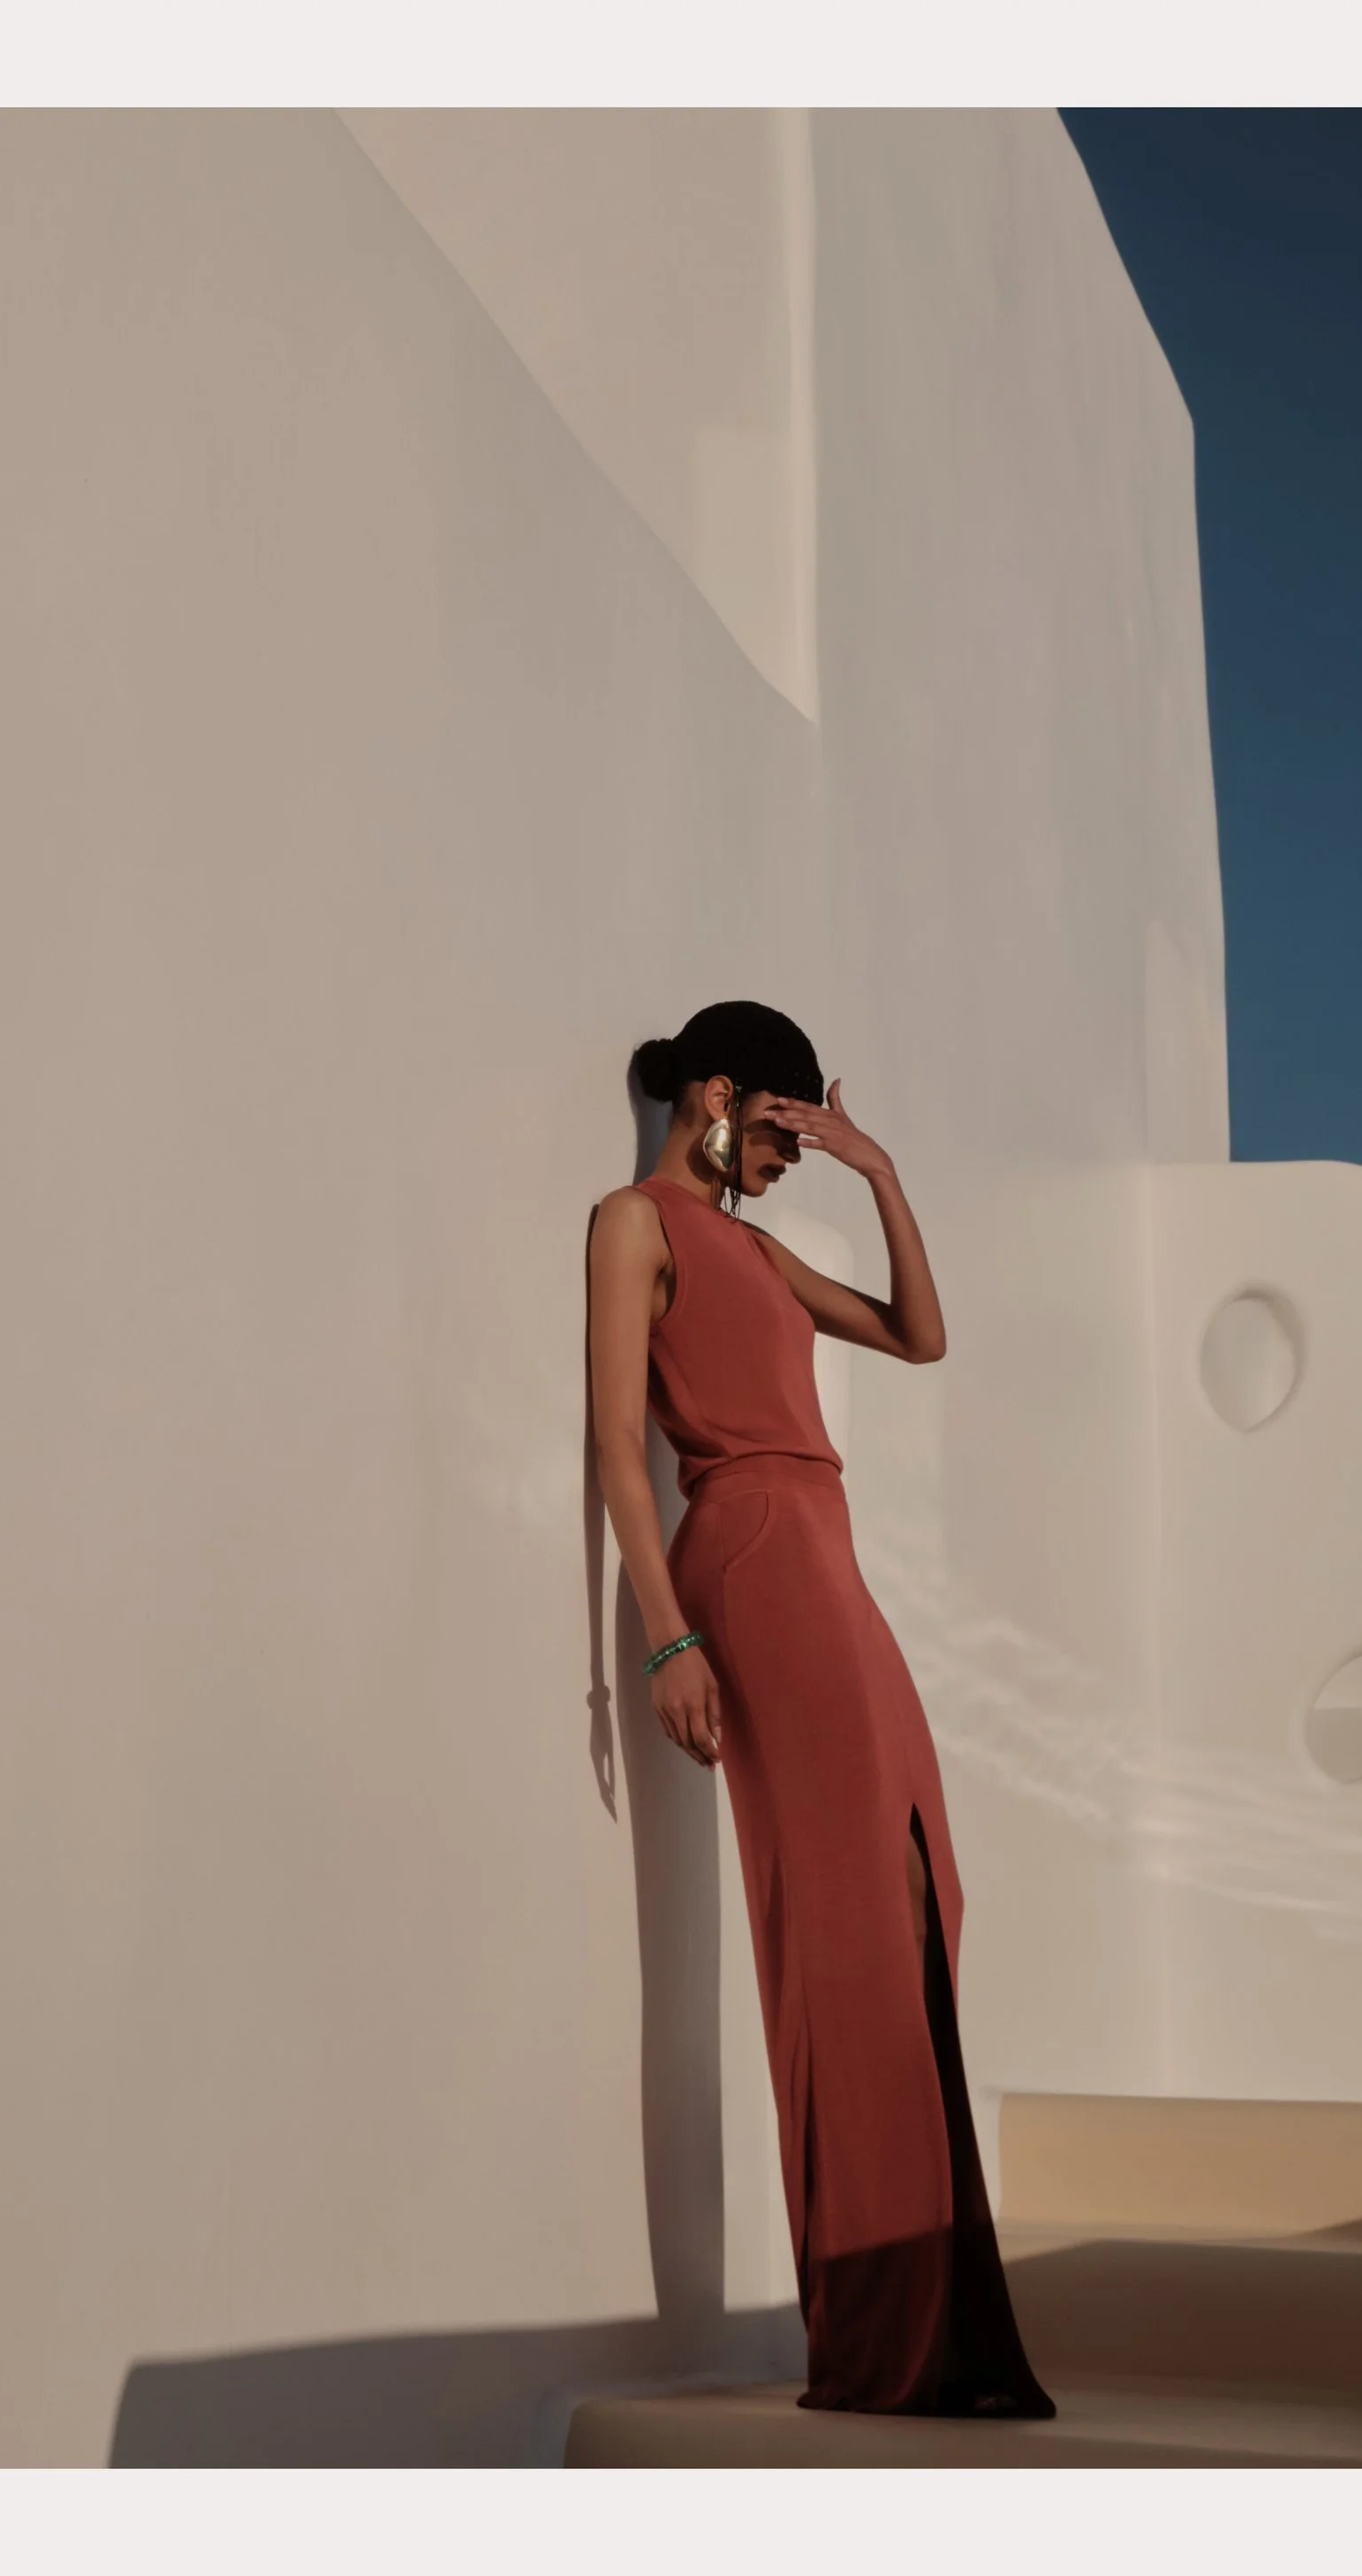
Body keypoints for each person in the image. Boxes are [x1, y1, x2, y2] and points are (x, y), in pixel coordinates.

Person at [586, 999, 1056, 2419]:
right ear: (716, 1093)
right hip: (747, 1545)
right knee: (839, 1918)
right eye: (780, 1132)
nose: (785, 1159)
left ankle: (934, 2315)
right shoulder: (635, 1221)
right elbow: (616, 1443)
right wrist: (666, 1647)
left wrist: (879, 1172)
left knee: (922, 1895)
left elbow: (921, 1336)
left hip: (828, 1552)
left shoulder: (759, 1245)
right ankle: (879, 2335)